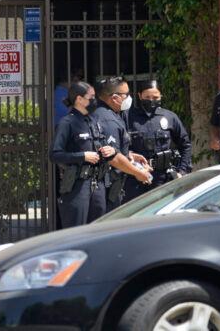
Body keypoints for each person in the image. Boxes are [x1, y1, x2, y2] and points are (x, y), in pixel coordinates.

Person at [50, 82, 147, 227]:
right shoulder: (67, 122)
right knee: (77, 230)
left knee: (98, 228)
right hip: (77, 186)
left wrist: (113, 151)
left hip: (98, 185)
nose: (95, 101)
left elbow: (101, 147)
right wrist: (82, 156)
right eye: (91, 97)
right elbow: (54, 154)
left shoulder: (93, 121)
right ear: (79, 99)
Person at [124, 80, 192, 201]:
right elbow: (121, 147)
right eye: (147, 97)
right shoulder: (127, 117)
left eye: (155, 97)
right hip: (135, 177)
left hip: (163, 177)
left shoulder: (170, 117)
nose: (151, 100)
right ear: (139, 96)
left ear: (161, 96)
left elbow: (185, 145)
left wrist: (182, 171)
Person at [93, 76, 153, 208]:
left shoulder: (108, 114)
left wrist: (129, 155)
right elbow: (113, 157)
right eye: (126, 94)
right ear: (114, 98)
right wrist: (139, 173)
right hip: (107, 187)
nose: (129, 98)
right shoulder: (108, 120)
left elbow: (112, 148)